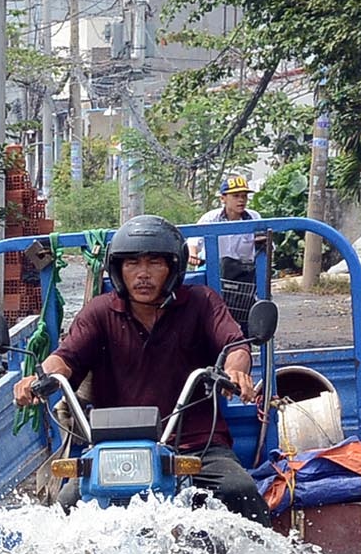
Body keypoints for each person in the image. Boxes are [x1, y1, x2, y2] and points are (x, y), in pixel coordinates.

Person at [14, 214, 272, 524]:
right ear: (119, 270)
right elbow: (65, 358)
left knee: (239, 490)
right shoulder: (99, 312)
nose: (143, 274)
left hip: (195, 445)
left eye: (154, 263)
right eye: (132, 264)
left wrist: (235, 372)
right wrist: (39, 379)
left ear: (173, 268)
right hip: (115, 450)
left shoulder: (202, 302)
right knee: (67, 508)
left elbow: (235, 346)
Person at [191, 174, 271, 318]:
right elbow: (194, 241)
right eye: (236, 196)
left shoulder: (254, 217)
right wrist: (192, 254)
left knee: (247, 312)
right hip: (217, 274)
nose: (241, 200)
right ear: (223, 198)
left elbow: (267, 246)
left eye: (244, 196)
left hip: (244, 275)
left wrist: (264, 242)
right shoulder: (210, 218)